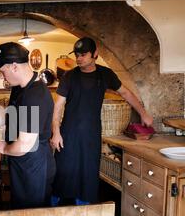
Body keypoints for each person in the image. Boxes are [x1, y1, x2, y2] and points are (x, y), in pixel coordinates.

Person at [50, 37, 153, 205]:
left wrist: (143, 113)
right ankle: (50, 213)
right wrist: (56, 133)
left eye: (83, 54)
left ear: (95, 54)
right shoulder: (69, 76)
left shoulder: (106, 74)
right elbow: (58, 107)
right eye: (77, 54)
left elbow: (126, 93)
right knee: (62, 174)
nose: (79, 58)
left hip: (92, 135)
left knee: (88, 176)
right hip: (68, 135)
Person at [0, 42, 56, 209]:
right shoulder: (20, 88)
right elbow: (8, 116)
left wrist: (5, 148)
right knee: (19, 213)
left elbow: (24, 145)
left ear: (14, 67)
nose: (1, 76)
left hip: (34, 167)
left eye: (2, 71)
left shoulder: (35, 95)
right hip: (22, 164)